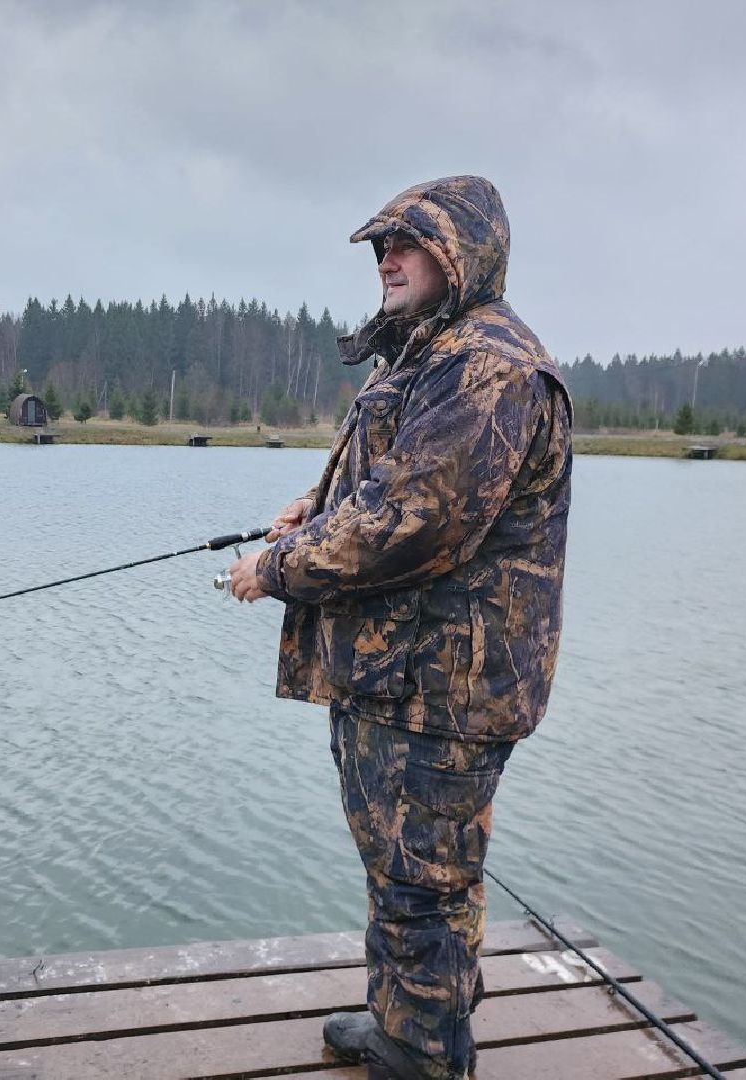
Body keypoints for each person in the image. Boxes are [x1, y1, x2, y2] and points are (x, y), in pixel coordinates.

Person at [226, 175, 572, 1080]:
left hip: (443, 690)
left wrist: (275, 569)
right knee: (403, 868)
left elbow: (409, 521)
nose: (387, 258)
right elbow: (388, 480)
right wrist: (315, 506)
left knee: (423, 883)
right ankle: (405, 1022)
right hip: (403, 678)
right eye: (382, 245)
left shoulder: (487, 366)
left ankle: (422, 1056)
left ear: (462, 255)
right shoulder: (434, 352)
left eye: (408, 243)